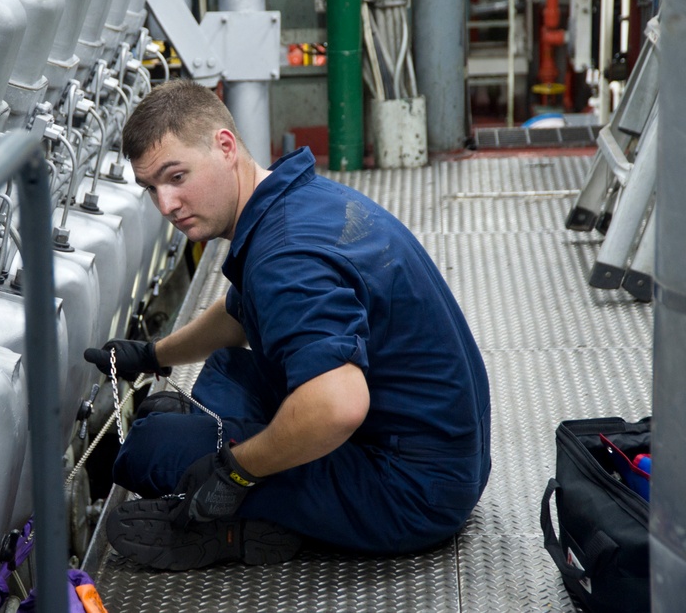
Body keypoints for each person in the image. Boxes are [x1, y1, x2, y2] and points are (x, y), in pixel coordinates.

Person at [84, 79, 491, 571]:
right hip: (442, 454)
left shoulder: (285, 257)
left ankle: (238, 529)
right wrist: (152, 355)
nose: (166, 205)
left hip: (410, 491)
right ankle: (246, 474)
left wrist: (235, 474)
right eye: (152, 189)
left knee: (148, 452)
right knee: (227, 370)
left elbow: (338, 406)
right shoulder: (292, 199)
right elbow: (237, 315)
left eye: (177, 177)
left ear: (225, 147)